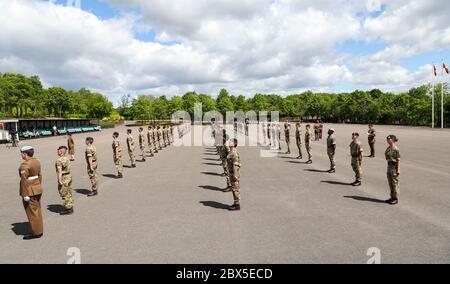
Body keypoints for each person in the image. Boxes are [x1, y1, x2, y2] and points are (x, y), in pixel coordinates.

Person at [18, 146, 44, 240]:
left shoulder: (24, 165)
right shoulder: (36, 161)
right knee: (37, 211)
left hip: (29, 191)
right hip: (37, 188)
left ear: (25, 154)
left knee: (32, 213)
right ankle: (39, 230)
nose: (21, 155)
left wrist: (25, 194)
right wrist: (38, 186)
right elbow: (39, 175)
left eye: (21, 153)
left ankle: (36, 232)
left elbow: (24, 181)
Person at [55, 146, 74, 215]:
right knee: (68, 192)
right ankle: (70, 206)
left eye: (58, 150)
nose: (57, 151)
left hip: (64, 177)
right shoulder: (67, 158)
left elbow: (59, 171)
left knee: (64, 192)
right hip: (68, 176)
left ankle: (68, 209)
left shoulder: (59, 160)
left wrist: (59, 180)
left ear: (61, 152)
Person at [385, 135, 401, 205]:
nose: (388, 140)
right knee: (390, 182)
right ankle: (392, 197)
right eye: (387, 139)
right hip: (389, 166)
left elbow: (398, 160)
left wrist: (398, 170)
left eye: (389, 139)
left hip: (394, 167)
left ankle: (395, 198)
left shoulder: (395, 149)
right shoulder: (389, 148)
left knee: (394, 183)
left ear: (393, 140)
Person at [227, 138, 241, 211]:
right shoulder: (231, 151)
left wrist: (235, 175)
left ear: (234, 144)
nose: (229, 142)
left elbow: (235, 164)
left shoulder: (234, 153)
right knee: (233, 188)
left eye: (231, 142)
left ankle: (237, 205)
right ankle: (235, 203)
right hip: (231, 173)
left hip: (234, 173)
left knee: (235, 189)